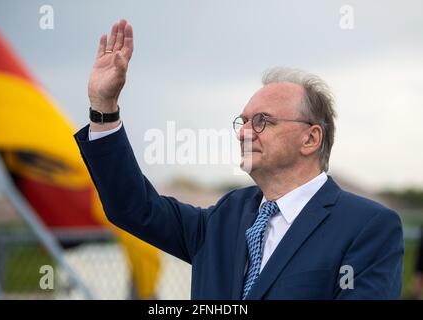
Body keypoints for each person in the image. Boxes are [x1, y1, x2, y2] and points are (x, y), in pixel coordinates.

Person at [74, 19, 404, 299]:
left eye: (262, 121)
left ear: (311, 138)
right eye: (243, 121)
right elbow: (133, 208)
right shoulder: (225, 216)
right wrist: (104, 107)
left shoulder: (368, 227)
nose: (245, 132)